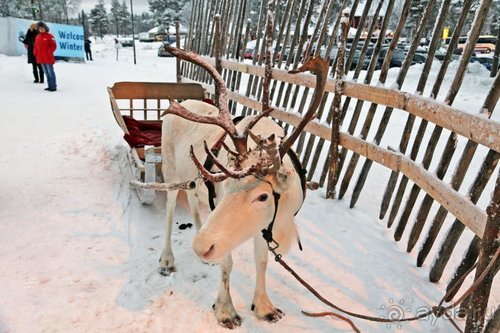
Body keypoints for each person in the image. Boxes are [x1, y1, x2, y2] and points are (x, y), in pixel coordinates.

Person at [34, 21, 57, 92]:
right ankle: (49, 86)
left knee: (50, 72)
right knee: (46, 73)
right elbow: (35, 46)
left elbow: (54, 46)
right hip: (41, 58)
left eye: (42, 28)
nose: (41, 29)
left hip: (48, 58)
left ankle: (53, 86)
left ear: (45, 28)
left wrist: (49, 53)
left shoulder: (50, 36)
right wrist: (35, 53)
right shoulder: (37, 37)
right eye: (40, 28)